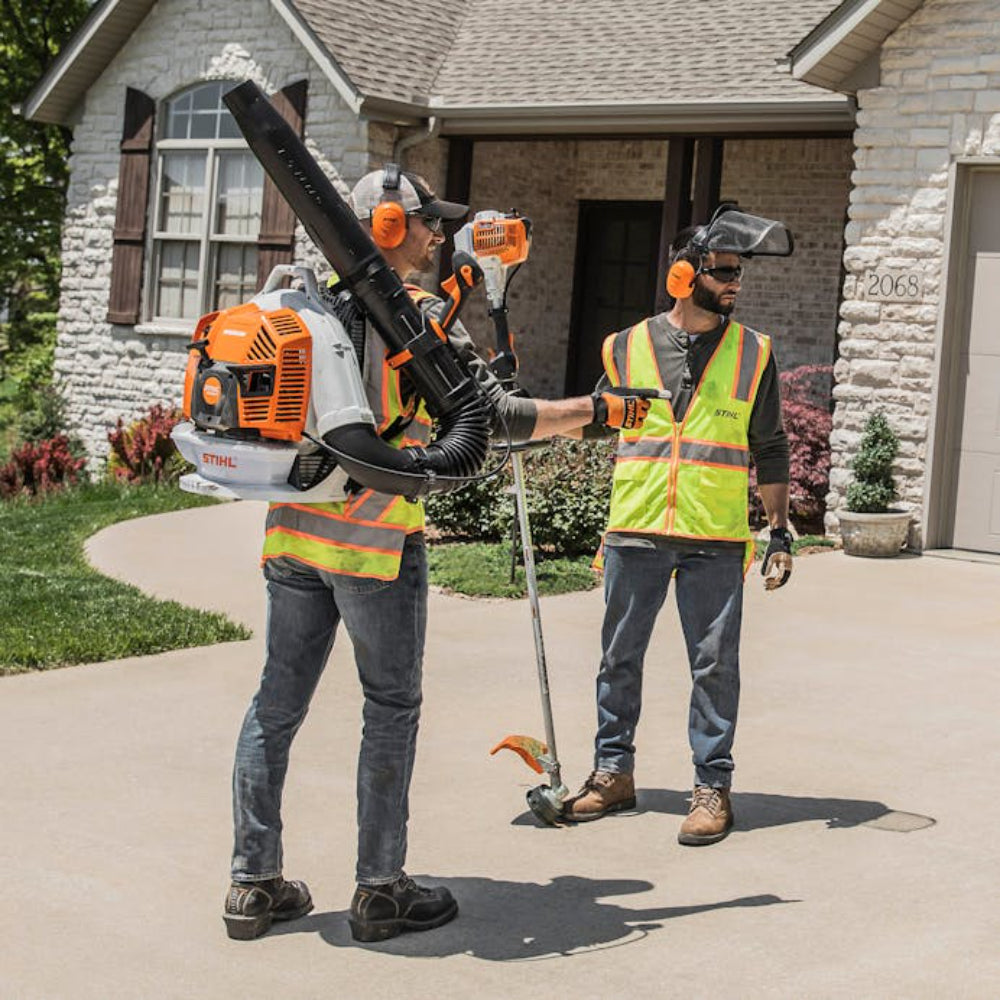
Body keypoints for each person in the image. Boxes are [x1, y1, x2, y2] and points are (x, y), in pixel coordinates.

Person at [223, 165, 650, 943]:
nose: (438, 235)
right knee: (389, 710)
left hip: (292, 532)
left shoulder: (296, 302)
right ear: (388, 228)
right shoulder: (412, 318)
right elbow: (501, 420)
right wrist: (600, 409)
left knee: (274, 710)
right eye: (426, 222)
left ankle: (252, 884)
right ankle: (380, 888)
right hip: (376, 545)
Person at [562, 214, 795, 846]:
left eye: (739, 272)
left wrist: (778, 532)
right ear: (683, 274)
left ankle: (712, 786)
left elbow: (769, 447)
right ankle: (613, 773)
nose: (735, 283)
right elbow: (595, 420)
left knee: (714, 665)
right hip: (635, 526)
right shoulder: (624, 346)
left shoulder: (754, 352)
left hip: (715, 536)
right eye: (724, 270)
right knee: (618, 658)